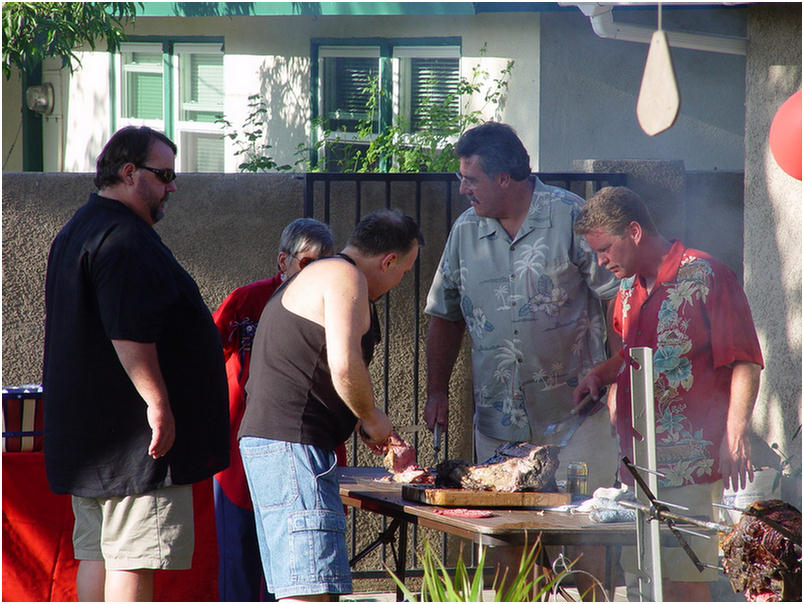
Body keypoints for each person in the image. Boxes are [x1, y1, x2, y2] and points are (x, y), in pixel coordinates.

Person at [423, 121, 621, 598]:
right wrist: (435, 389)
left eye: (470, 179)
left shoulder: (571, 218)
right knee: (510, 539)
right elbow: (444, 315)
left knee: (583, 539)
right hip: (499, 424)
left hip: (577, 418)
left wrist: (618, 383)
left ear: (505, 179)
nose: (462, 188)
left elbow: (619, 302)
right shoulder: (464, 231)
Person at [42, 125, 229, 602]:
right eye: (163, 175)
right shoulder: (124, 238)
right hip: (133, 446)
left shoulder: (77, 230)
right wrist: (158, 404)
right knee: (133, 559)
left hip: (94, 443)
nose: (172, 187)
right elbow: (129, 331)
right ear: (129, 172)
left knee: (98, 555)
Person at [572, 186, 763, 601]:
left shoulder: (708, 274)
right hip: (636, 468)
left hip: (691, 466)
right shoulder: (624, 291)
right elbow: (633, 357)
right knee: (640, 581)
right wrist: (600, 374)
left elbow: (745, 359)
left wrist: (736, 433)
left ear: (635, 231)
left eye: (605, 249)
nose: (601, 262)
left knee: (684, 581)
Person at [238, 208, 423, 601]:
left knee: (303, 585)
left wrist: (361, 423)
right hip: (294, 448)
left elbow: (311, 368)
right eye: (404, 271)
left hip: (282, 445)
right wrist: (374, 420)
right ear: (388, 261)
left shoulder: (319, 275)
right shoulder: (344, 276)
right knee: (310, 591)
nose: (400, 280)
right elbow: (343, 366)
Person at [212, 218, 336, 602]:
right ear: (283, 260)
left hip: (304, 440)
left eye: (324, 263)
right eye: (307, 261)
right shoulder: (247, 300)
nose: (315, 271)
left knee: (299, 564)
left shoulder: (334, 302)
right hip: (241, 446)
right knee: (240, 558)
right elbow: (205, 354)